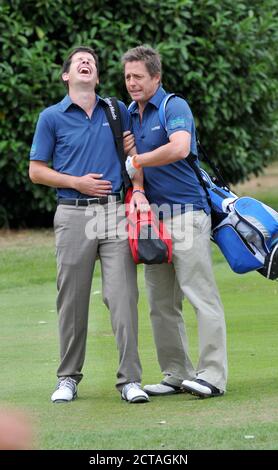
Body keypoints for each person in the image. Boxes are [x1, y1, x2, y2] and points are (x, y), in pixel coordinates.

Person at [29, 46, 149, 404]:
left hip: (114, 213)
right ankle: (68, 378)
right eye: (79, 61)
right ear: (67, 75)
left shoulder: (115, 111)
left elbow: (134, 158)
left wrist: (137, 178)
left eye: (92, 63)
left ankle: (130, 380)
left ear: (96, 77)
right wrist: (76, 182)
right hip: (72, 213)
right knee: (72, 300)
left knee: (123, 297)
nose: (86, 63)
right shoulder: (51, 117)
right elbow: (36, 171)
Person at [121, 45, 227, 398]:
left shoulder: (173, 106)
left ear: (156, 77)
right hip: (154, 220)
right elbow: (137, 168)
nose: (132, 83)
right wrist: (136, 180)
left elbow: (179, 147)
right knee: (161, 302)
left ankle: (212, 375)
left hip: (187, 213)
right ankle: (177, 374)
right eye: (127, 77)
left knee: (200, 294)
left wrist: (139, 160)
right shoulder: (132, 116)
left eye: (138, 76)